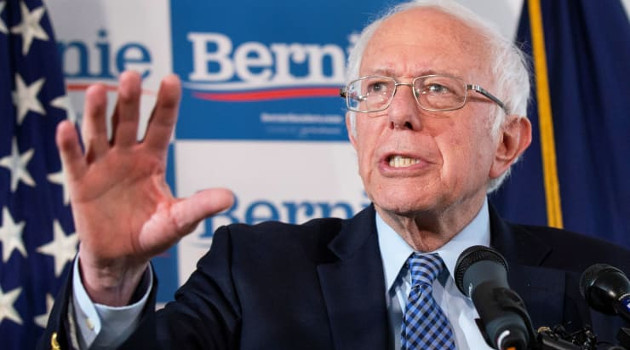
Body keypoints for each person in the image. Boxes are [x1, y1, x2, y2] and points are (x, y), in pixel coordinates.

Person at [41, 1, 630, 349]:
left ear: (507, 141)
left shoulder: (601, 283)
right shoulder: (252, 273)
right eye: (375, 89)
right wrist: (109, 283)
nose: (399, 113)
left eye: (437, 89)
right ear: (354, 128)